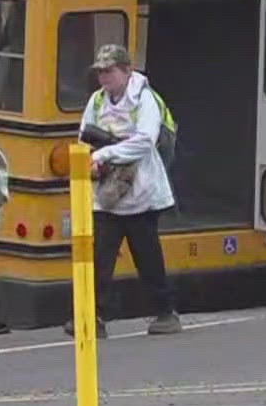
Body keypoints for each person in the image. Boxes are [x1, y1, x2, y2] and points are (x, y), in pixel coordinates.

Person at [66, 45, 183, 337]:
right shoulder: (96, 101)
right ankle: (93, 317)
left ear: (127, 70)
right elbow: (84, 136)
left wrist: (104, 154)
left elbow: (145, 141)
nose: (104, 77)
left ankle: (165, 313)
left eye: (110, 71)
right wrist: (90, 160)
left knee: (147, 255)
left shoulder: (144, 99)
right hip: (107, 194)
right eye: (101, 72)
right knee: (100, 257)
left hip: (141, 192)